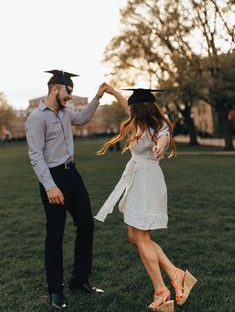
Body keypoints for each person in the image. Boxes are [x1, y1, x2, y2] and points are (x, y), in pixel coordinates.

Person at [94, 87, 198, 312]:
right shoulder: (138, 122)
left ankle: (161, 290)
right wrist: (111, 91)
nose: (128, 109)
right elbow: (124, 102)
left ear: (139, 109)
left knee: (141, 237)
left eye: (131, 107)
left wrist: (160, 149)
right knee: (135, 236)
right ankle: (175, 273)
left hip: (147, 183)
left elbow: (162, 138)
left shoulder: (159, 126)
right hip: (138, 182)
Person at [25, 70, 106, 309]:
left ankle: (79, 280)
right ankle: (55, 290)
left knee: (86, 224)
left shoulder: (65, 113)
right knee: (55, 235)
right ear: (55, 89)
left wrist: (98, 96)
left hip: (73, 174)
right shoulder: (36, 119)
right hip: (53, 178)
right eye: (68, 91)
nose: (70, 96)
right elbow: (35, 156)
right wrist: (50, 187)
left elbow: (82, 119)